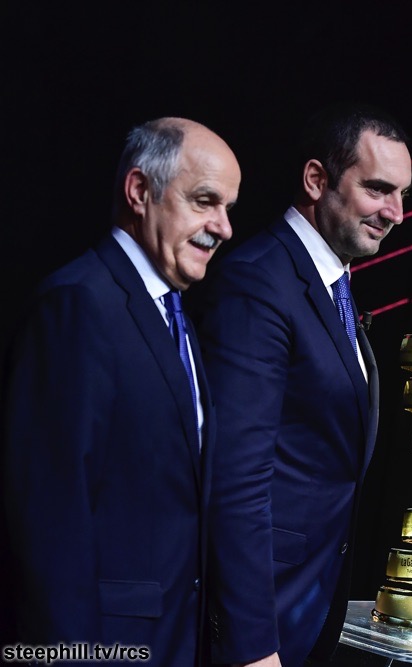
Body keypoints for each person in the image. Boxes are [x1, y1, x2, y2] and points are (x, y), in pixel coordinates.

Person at [2, 118, 240, 663]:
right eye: (205, 201)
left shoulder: (174, 313)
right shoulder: (77, 305)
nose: (224, 227)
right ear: (139, 191)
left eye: (229, 208)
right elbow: (50, 524)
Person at [196, 103, 412, 667]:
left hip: (311, 608)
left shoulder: (332, 282)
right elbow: (234, 478)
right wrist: (251, 644)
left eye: (402, 194)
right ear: (317, 180)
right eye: (378, 189)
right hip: (257, 623)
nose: (395, 213)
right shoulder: (258, 280)